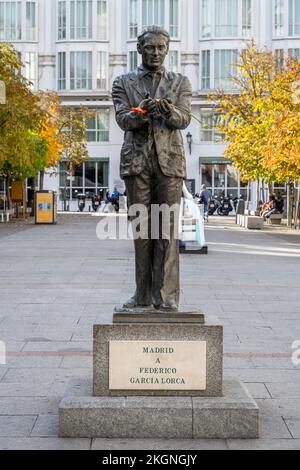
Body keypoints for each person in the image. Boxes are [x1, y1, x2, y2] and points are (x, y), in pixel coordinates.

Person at [112, 26, 192, 312]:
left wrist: (168, 110)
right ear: (139, 49)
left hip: (169, 164)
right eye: (150, 48)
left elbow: (184, 119)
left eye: (160, 48)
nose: (156, 52)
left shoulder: (180, 82)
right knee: (142, 232)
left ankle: (167, 295)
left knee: (167, 231)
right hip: (137, 164)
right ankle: (143, 293)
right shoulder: (123, 82)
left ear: (167, 50)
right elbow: (123, 119)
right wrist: (142, 113)